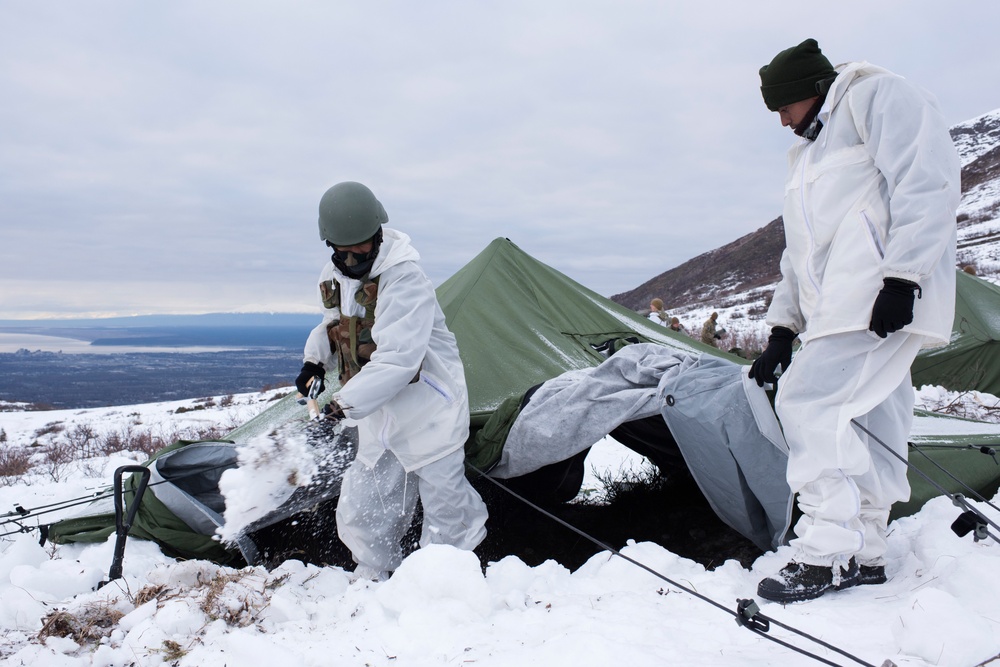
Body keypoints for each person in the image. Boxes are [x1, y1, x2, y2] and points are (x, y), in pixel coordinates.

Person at [750, 39, 959, 602]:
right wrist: (782, 328)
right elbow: (800, 254)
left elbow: (928, 180)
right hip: (838, 306)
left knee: (807, 403)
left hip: (872, 294)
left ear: (810, 91)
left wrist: (903, 277)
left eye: (784, 107)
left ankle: (823, 553)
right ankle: (866, 550)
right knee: (870, 420)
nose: (782, 121)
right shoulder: (808, 157)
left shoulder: (879, 96)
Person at [295, 181, 488, 581]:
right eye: (344, 251)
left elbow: (399, 360)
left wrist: (342, 405)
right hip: (378, 410)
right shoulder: (336, 276)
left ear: (378, 234)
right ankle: (374, 576)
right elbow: (338, 327)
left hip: (428, 406)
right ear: (330, 246)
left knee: (445, 504)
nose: (354, 257)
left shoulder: (405, 278)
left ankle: (448, 582)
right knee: (368, 498)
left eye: (362, 247)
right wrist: (315, 362)